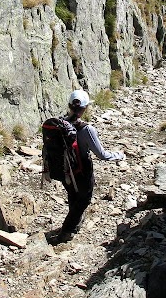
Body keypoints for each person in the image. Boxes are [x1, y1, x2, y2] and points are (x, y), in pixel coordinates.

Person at [52, 89, 125, 244]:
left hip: (65, 169)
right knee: (84, 199)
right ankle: (66, 231)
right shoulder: (87, 129)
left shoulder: (60, 124)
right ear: (85, 108)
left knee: (73, 194)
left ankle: (75, 223)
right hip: (83, 169)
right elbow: (102, 155)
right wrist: (119, 155)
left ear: (69, 106)